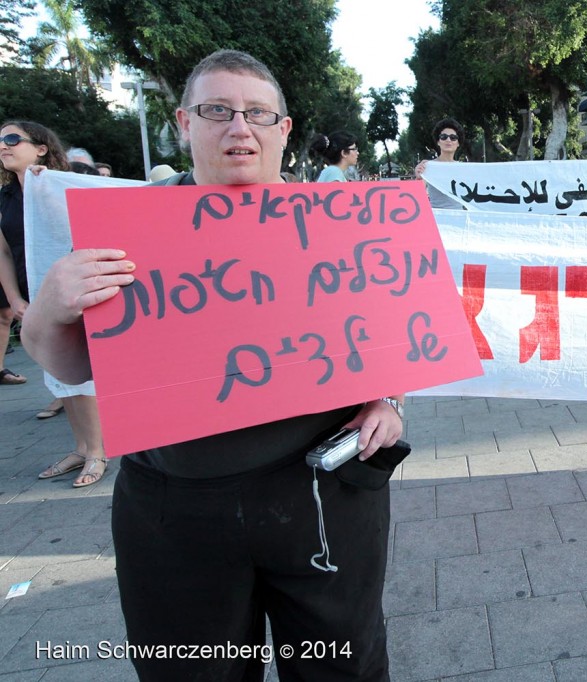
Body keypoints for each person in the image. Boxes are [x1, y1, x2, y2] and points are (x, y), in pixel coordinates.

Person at [22, 50, 401, 680]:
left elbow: (391, 341)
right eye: (216, 111)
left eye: (257, 113)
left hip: (321, 491)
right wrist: (51, 309)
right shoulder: (130, 230)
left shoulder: (341, 226)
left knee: (345, 665)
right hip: (175, 506)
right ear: (183, 122)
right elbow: (69, 363)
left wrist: (387, 400)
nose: (238, 128)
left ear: (283, 128)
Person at [0, 121, 108, 486]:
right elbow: (2, 249)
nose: (4, 145)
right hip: (32, 296)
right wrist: (14, 297)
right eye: (0, 140)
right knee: (57, 375)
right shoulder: (5, 197)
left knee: (82, 373)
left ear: (42, 147)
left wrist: (48, 185)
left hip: (71, 293)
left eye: (12, 139)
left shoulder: (65, 182)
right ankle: (80, 446)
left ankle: (97, 451)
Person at [414, 117, 467, 209]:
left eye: (453, 137)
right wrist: (418, 178)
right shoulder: (428, 166)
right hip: (436, 219)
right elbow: (416, 197)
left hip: (460, 219)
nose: (448, 140)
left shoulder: (463, 168)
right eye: (444, 137)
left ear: (458, 143)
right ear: (438, 141)